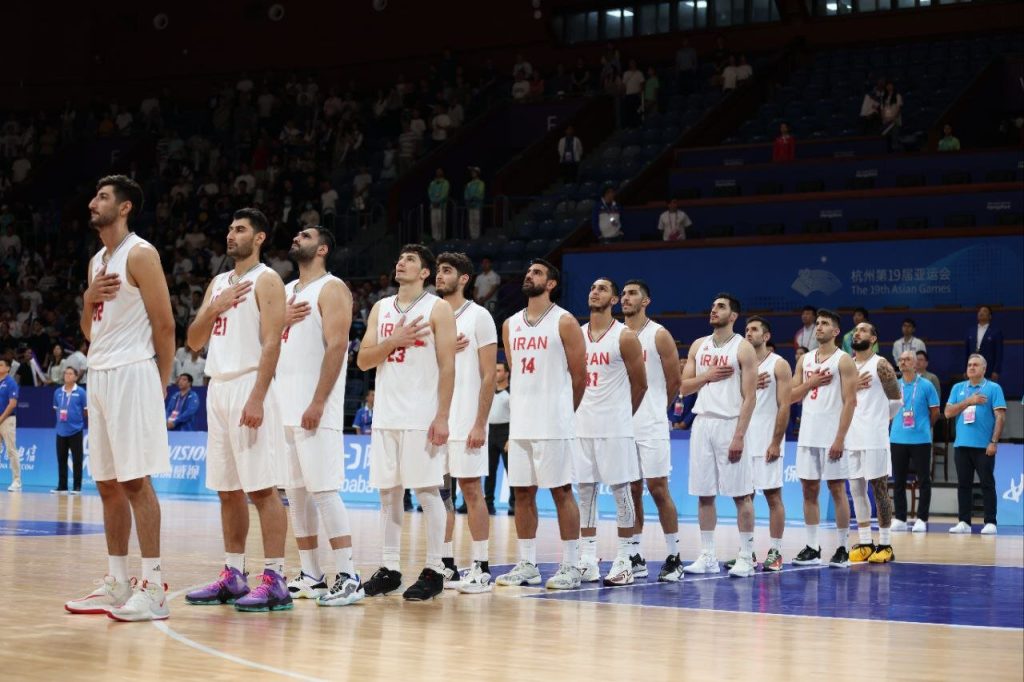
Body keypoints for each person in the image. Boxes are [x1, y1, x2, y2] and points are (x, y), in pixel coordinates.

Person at [64, 175, 175, 622]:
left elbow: (165, 325)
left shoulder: (141, 253)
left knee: (135, 482)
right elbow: (91, 331)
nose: (93, 202)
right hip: (102, 373)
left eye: (103, 197)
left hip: (133, 372)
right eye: (94, 195)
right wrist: (88, 299)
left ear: (125, 207)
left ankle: (153, 585)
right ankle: (117, 581)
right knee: (107, 484)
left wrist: (160, 384)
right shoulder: (97, 261)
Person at [185, 208, 292, 613]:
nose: (232, 234)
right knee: (227, 489)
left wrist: (258, 396)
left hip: (250, 383)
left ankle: (276, 578)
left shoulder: (267, 279)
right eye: (230, 228)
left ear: (260, 237)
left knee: (262, 488)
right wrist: (215, 306)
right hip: (218, 386)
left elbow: (271, 343)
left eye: (241, 229)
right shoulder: (217, 283)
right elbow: (195, 340)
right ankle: (233, 574)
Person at [356, 244, 456, 601]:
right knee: (389, 494)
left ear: (425, 272)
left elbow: (448, 365)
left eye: (410, 260)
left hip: (421, 415)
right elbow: (364, 360)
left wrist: (442, 415)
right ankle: (390, 568)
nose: (401, 262)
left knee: (429, 491)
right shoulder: (382, 308)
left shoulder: (438, 308)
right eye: (399, 258)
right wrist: (393, 340)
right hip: (386, 414)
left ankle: (434, 568)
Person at [279, 226, 363, 607]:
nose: (298, 236)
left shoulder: (332, 288)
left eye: (306, 234)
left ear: (323, 248)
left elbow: (338, 346)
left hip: (316, 406)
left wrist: (317, 401)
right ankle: (311, 574)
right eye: (297, 233)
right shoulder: (285, 292)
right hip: (285, 405)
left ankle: (349, 575)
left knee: (324, 490)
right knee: (295, 493)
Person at [495, 259, 586, 590]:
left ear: (550, 284)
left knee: (561, 492)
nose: (528, 275)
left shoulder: (564, 321)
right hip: (521, 424)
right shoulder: (509, 324)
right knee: (522, 493)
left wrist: (563, 414)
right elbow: (517, 375)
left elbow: (580, 376)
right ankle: (528, 564)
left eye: (537, 273)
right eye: (528, 271)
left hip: (553, 423)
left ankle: (572, 565)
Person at [678, 293, 758, 577]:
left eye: (720, 307)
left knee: (741, 495)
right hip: (703, 423)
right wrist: (707, 376)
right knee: (704, 494)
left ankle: (746, 556)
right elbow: (684, 387)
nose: (713, 310)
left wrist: (739, 435)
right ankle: (708, 556)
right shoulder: (699, 345)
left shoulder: (744, 348)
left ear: (733, 316)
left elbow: (750, 397)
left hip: (730, 423)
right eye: (712, 306)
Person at [575, 278, 647, 586]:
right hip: (582, 425)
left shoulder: (625, 337)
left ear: (614, 299)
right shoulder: (576, 335)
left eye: (603, 289)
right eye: (592, 287)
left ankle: (625, 559)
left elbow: (641, 384)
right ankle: (588, 560)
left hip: (615, 428)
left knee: (622, 493)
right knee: (586, 493)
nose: (595, 291)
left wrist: (620, 416)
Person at [435, 252, 497, 593]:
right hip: (438, 421)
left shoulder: (479, 317)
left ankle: (481, 566)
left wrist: (480, 423)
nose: (439, 276)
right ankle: (445, 565)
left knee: (471, 491)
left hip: (466, 419)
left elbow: (489, 375)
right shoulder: (433, 315)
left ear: (464, 279)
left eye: (447, 271)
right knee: (439, 494)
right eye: (439, 270)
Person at [620, 280, 684, 581]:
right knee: (631, 490)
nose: (625, 298)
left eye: (632, 293)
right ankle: (635, 555)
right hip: (622, 424)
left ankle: (674, 556)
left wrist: (657, 407)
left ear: (646, 301)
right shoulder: (616, 335)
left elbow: (675, 381)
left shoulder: (659, 335)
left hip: (651, 423)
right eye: (623, 294)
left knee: (658, 489)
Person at [790, 309, 858, 569]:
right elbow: (791, 396)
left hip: (832, 436)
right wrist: (811, 382)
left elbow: (851, 401)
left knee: (837, 490)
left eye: (824, 324)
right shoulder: (805, 360)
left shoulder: (843, 361)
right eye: (817, 323)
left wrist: (840, 438)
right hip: (807, 434)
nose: (818, 327)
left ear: (836, 331)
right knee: (809, 490)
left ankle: (842, 547)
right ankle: (812, 546)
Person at [737, 316, 792, 571]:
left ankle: (776, 551)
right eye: (746, 329)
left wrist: (776, 442)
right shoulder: (742, 365)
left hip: (767, 441)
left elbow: (784, 406)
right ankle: (746, 552)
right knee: (743, 497)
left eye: (754, 329)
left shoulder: (778, 365)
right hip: (744, 441)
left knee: (772, 497)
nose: (749, 333)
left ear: (766, 336)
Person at [845, 322, 902, 564]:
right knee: (856, 489)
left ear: (874, 337)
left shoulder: (881, 364)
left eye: (864, 330)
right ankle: (866, 541)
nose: (858, 333)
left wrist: (880, 419)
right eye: (856, 330)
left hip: (874, 436)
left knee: (879, 489)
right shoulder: (847, 365)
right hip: (851, 436)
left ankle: (886, 544)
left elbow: (897, 399)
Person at [945, 354, 1005, 535]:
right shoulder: (958, 388)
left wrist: (993, 442)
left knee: (987, 483)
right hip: (961, 445)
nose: (971, 367)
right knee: (964, 484)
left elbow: (1000, 416)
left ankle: (990, 522)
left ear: (984, 369)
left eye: (975, 365)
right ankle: (964, 522)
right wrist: (968, 401)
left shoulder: (993, 388)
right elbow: (948, 413)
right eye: (969, 364)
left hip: (984, 446)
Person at [890, 350, 940, 533]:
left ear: (916, 364)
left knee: (923, 480)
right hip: (897, 438)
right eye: (901, 360)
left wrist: (925, 426)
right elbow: (887, 411)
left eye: (907, 359)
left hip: (920, 439)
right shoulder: (894, 385)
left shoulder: (926, 385)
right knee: (898, 480)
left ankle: (921, 518)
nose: (903, 362)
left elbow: (935, 412)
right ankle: (901, 518)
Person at [52, 366, 87, 494]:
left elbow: (85, 410)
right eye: (66, 373)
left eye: (71, 373)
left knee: (77, 460)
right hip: (61, 431)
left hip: (76, 431)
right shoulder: (57, 392)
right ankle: (62, 486)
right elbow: (56, 408)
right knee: (61, 459)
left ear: (76, 377)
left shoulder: (81, 392)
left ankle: (77, 487)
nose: (67, 375)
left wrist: (76, 420)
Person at [484, 361, 511, 516]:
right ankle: (488, 503)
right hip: (490, 431)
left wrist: (510, 437)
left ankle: (513, 504)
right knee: (489, 471)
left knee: (510, 471)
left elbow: (516, 417)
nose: (496, 373)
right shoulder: (489, 392)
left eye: (499, 370)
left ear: (507, 373)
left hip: (506, 432)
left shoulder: (510, 393)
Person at [965, 305, 1002, 381]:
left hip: (989, 369)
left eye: (984, 311)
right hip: (972, 369)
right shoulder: (971, 331)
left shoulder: (995, 332)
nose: (981, 313)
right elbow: (966, 352)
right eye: (979, 311)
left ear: (990, 316)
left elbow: (999, 353)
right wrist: (965, 368)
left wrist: (996, 370)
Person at [0, 358, 20, 491]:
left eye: (1, 365)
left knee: (11, 450)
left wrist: (1, 418)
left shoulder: (11, 383)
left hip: (7, 420)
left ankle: (17, 481)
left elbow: (12, 404)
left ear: (7, 368)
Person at [428, 169, 450, 242]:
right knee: (434, 223)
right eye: (437, 171)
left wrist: (438, 201)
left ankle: (442, 238)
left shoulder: (445, 183)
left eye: (440, 171)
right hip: (433, 206)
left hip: (441, 206)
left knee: (441, 222)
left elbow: (444, 194)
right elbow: (430, 193)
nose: (438, 173)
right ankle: (435, 238)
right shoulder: (432, 183)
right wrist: (434, 201)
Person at [464, 167, 485, 240]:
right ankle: (472, 237)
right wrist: (468, 200)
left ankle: (477, 237)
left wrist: (473, 198)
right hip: (470, 206)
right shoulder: (469, 184)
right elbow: (466, 194)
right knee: (471, 222)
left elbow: (479, 193)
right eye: (472, 172)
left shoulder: (481, 183)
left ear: (478, 173)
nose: (473, 173)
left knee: (476, 222)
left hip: (477, 206)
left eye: (474, 172)